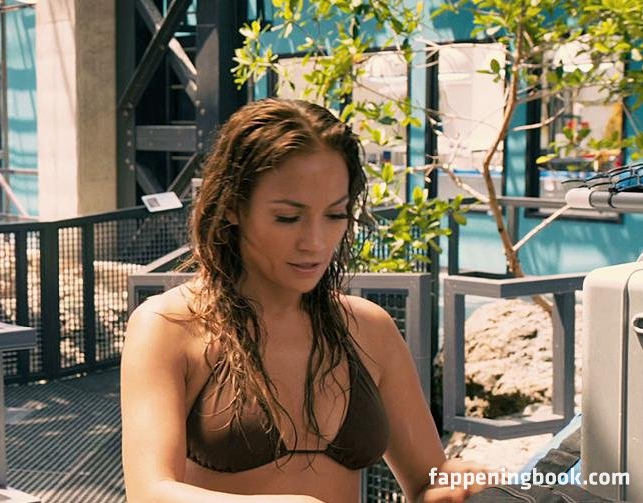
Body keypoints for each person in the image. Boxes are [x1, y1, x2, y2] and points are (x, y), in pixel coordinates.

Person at [121, 99, 490, 503]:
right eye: (287, 217)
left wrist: (457, 481)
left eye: (335, 215)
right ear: (231, 207)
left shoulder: (369, 328)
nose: (314, 242)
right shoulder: (169, 326)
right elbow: (148, 493)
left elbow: (427, 481)